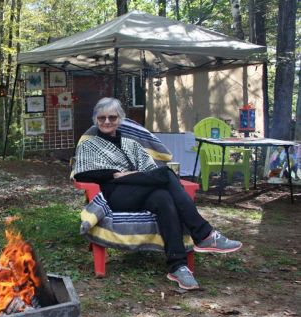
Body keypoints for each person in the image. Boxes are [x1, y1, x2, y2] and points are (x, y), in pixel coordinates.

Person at [73, 97, 242, 290]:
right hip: (114, 194)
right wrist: (116, 173)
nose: (107, 122)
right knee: (167, 174)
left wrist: (136, 175)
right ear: (95, 120)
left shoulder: (131, 144)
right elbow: (82, 172)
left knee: (163, 198)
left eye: (112, 117)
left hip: (138, 190)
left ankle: (178, 266)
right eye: (102, 118)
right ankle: (204, 234)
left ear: (119, 119)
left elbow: (149, 169)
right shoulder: (89, 144)